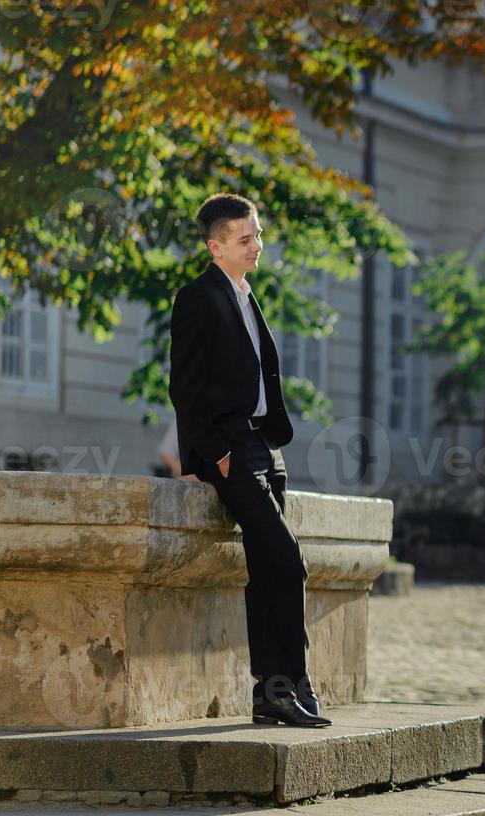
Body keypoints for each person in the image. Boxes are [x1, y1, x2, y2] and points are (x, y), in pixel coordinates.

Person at [168, 192, 330, 728]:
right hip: (231, 447)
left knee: (267, 567)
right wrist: (215, 452)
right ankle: (290, 681)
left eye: (257, 234)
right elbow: (185, 387)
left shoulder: (245, 294)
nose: (257, 244)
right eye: (245, 238)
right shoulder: (197, 298)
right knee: (289, 560)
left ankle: (276, 691)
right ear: (216, 247)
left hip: (265, 442)